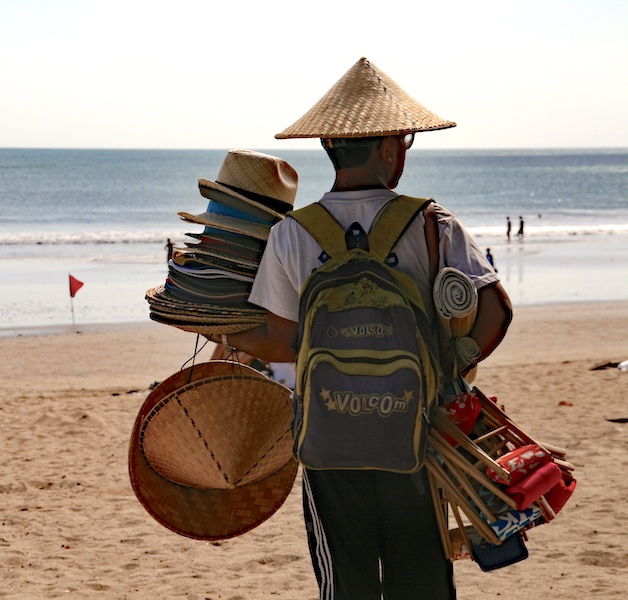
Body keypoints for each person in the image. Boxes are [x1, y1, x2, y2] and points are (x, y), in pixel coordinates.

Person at [212, 58, 512, 599]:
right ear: (389, 145)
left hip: (329, 440)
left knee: (345, 583)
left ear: (330, 146)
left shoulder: (292, 234)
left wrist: (225, 332)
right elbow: (497, 312)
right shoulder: (431, 223)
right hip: (418, 435)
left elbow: (283, 343)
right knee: (420, 579)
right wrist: (452, 362)